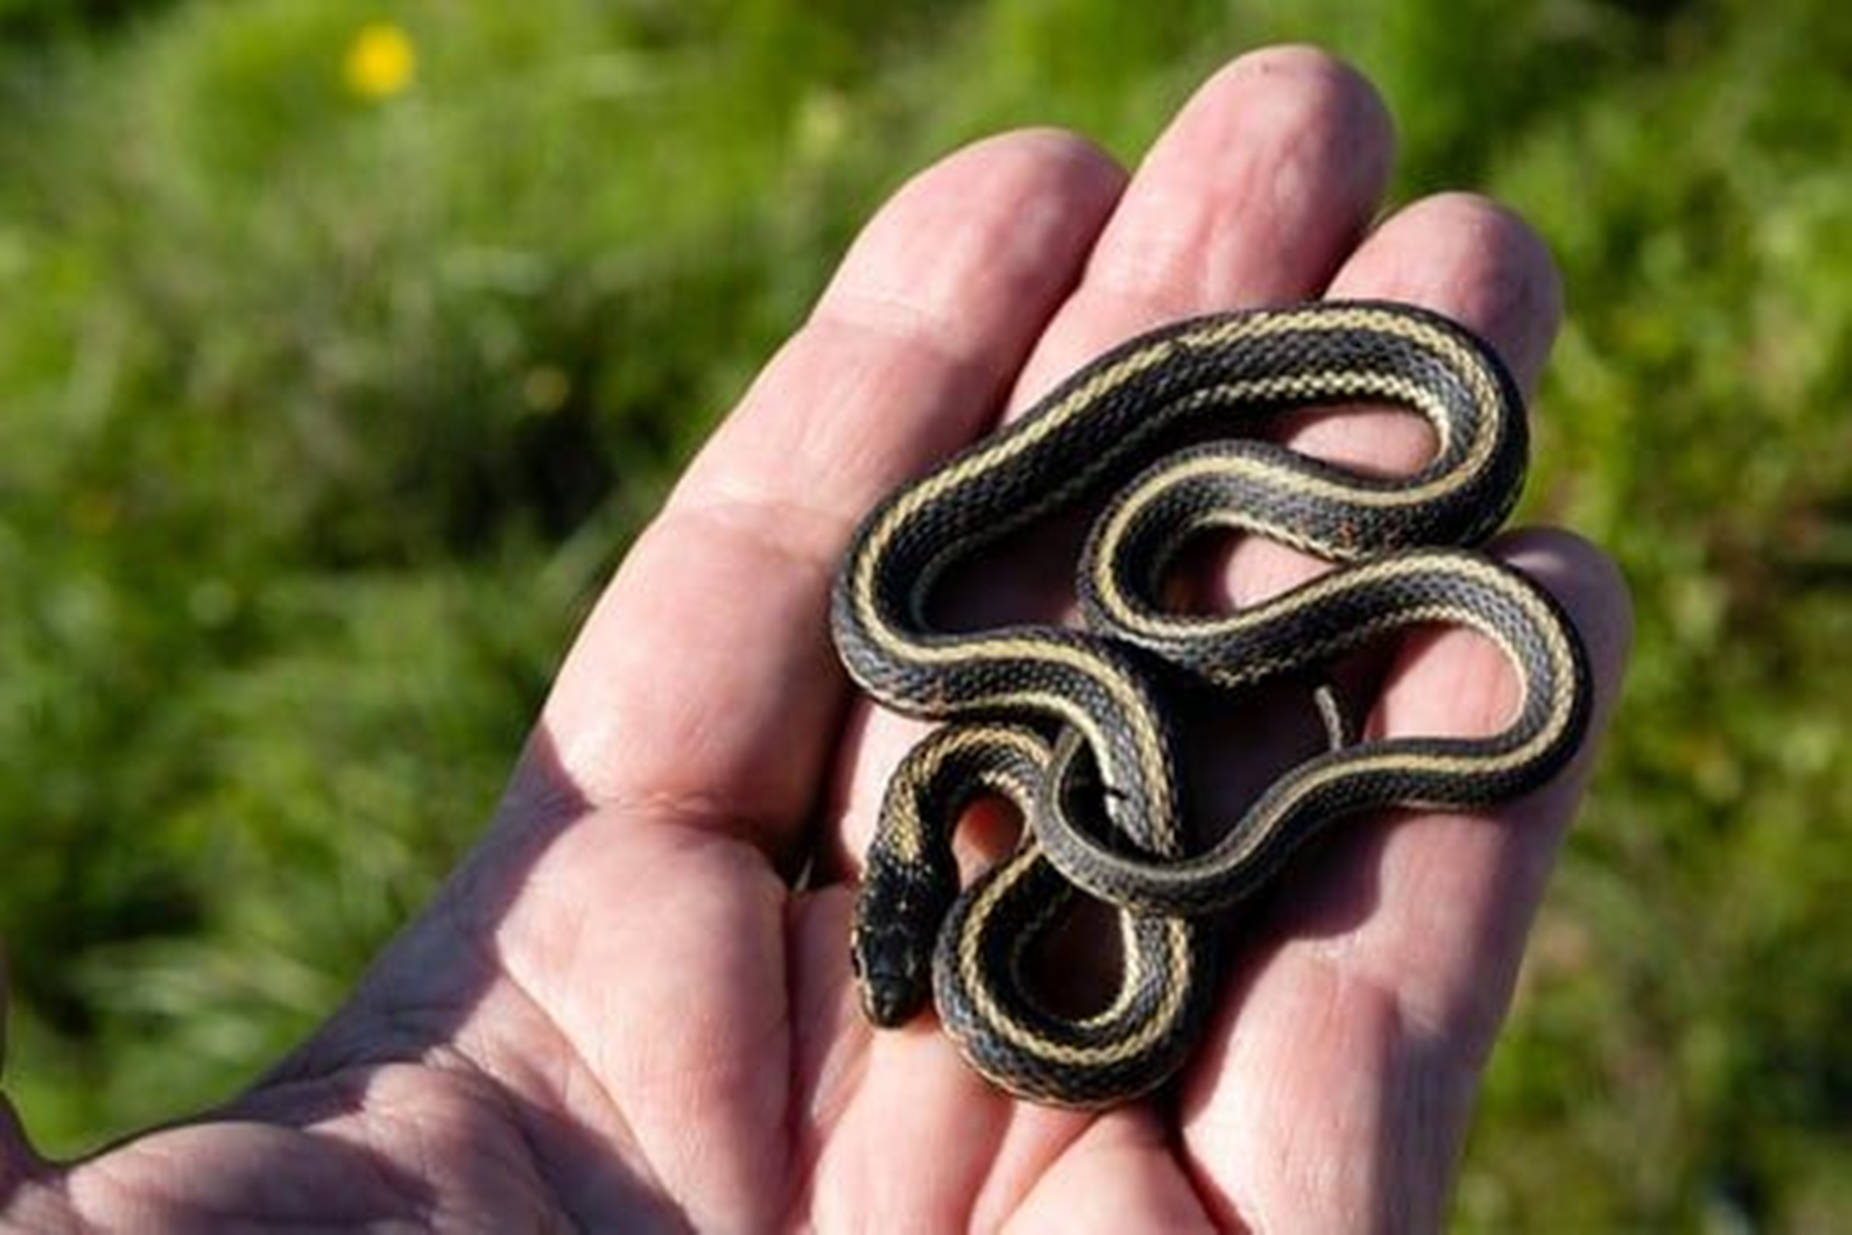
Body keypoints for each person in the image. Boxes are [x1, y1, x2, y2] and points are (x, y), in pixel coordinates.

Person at [0, 46, 1628, 1233]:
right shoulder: (1009, 758)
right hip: (1100, 709)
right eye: (893, 942)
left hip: (1151, 633)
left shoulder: (1046, 744)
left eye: (892, 945)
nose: (893, 973)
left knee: (1170, 582)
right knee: (1128, 636)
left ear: (933, 876)